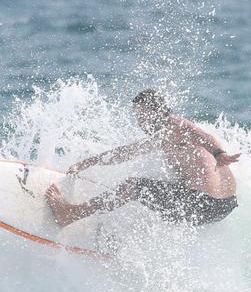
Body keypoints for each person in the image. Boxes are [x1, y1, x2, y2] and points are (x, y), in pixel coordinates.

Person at [45, 89, 240, 227]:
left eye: (142, 116)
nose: (140, 123)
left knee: (134, 187)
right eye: (137, 117)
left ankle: (69, 214)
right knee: (156, 189)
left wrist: (218, 153)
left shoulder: (175, 124)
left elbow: (203, 135)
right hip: (225, 206)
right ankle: (119, 238)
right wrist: (88, 163)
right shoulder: (168, 136)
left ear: (157, 113)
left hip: (203, 204)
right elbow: (126, 153)